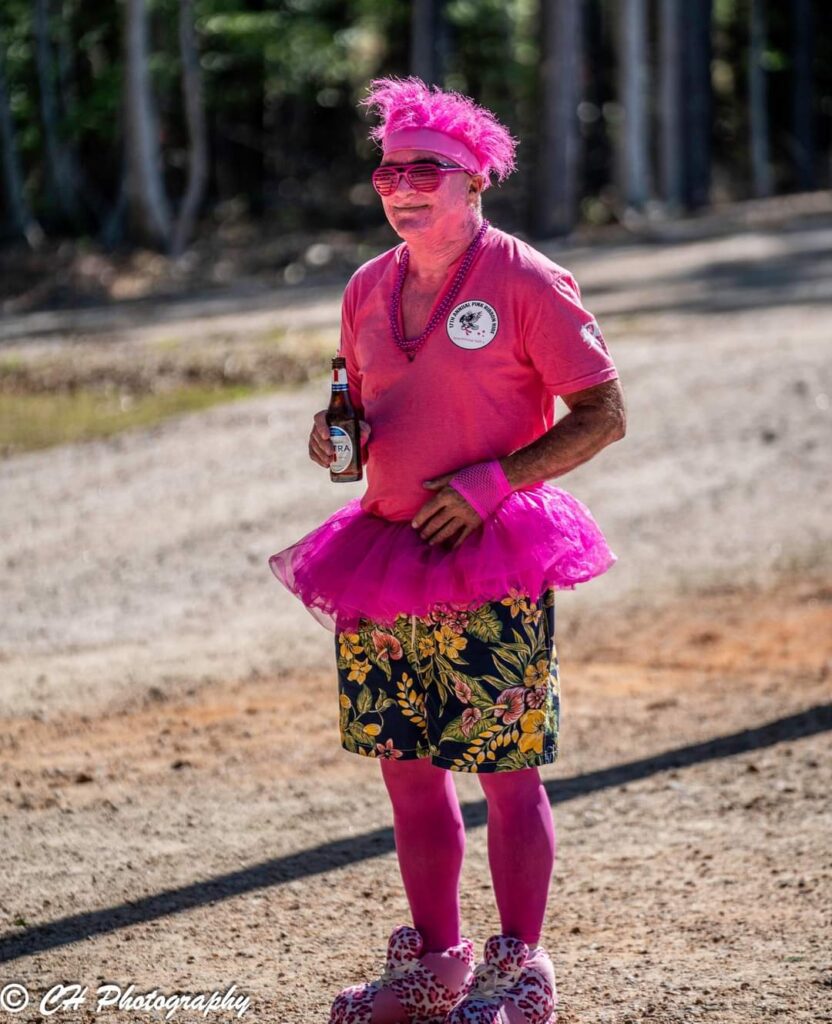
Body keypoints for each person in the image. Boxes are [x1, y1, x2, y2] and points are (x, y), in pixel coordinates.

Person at [268, 75, 626, 1024]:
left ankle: (521, 976)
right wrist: (333, 436)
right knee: (408, 768)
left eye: (426, 168)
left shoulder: (524, 278)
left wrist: (491, 482)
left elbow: (603, 415)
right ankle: (434, 967)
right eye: (388, 169)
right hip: (382, 554)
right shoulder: (364, 286)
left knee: (506, 770)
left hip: (493, 550)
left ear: (475, 181)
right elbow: (359, 404)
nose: (400, 185)